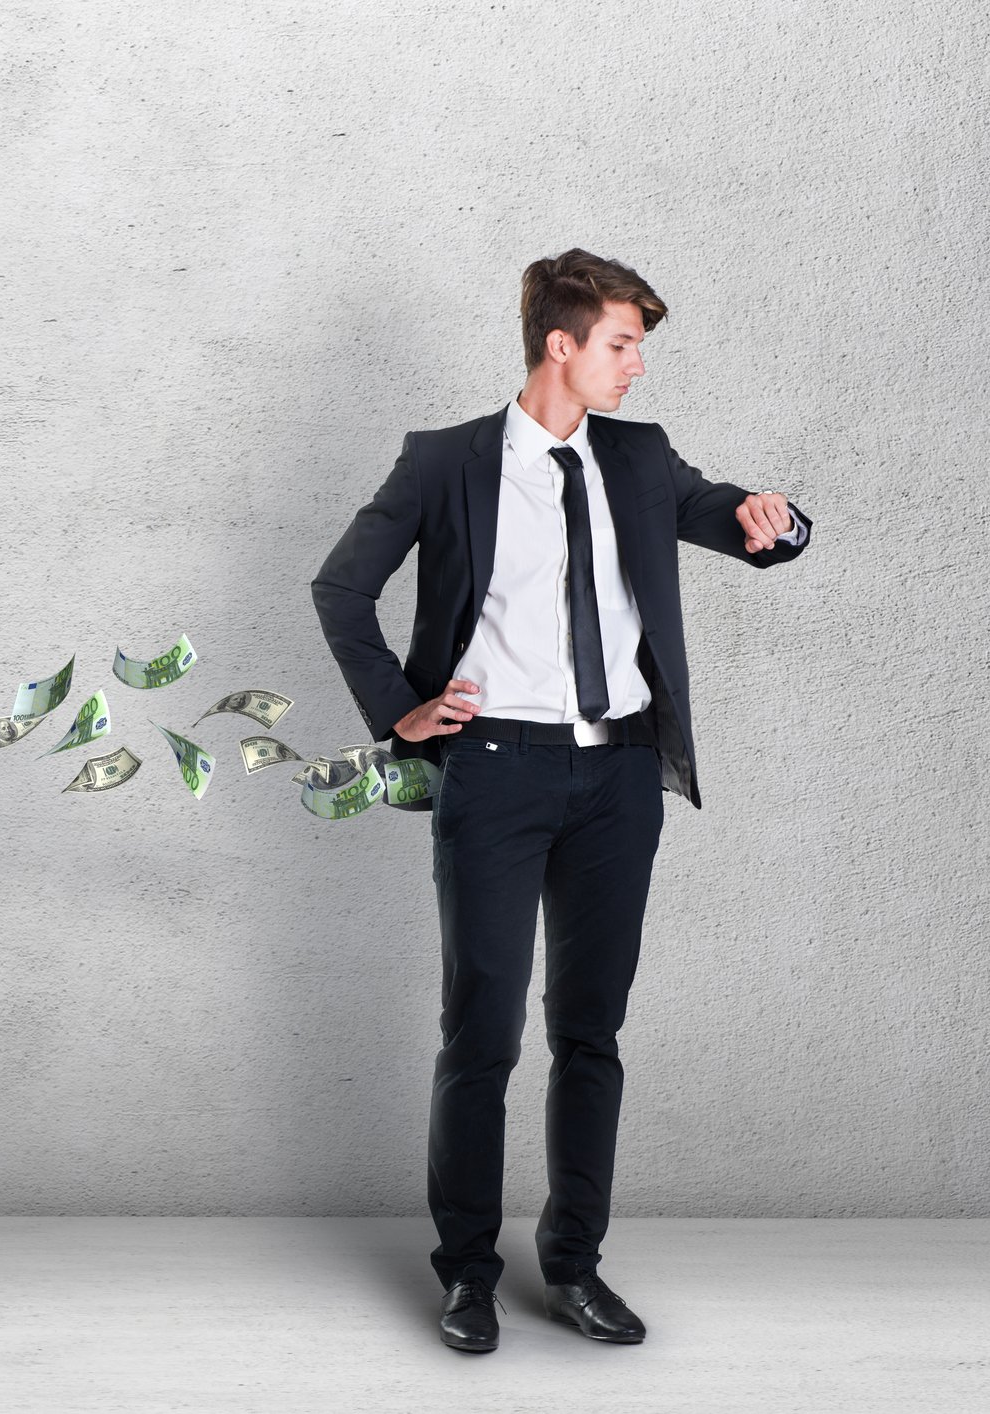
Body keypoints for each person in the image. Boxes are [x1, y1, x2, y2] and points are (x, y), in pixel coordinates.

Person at [310, 250, 812, 1353]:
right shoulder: (445, 461)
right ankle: (466, 1276)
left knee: (590, 1031)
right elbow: (341, 587)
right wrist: (399, 710)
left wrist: (773, 522)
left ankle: (575, 1267)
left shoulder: (637, 455)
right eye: (621, 344)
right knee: (480, 1032)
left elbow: (729, 516)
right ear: (560, 344)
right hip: (493, 771)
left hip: (618, 777)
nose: (636, 366)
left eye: (637, 347)